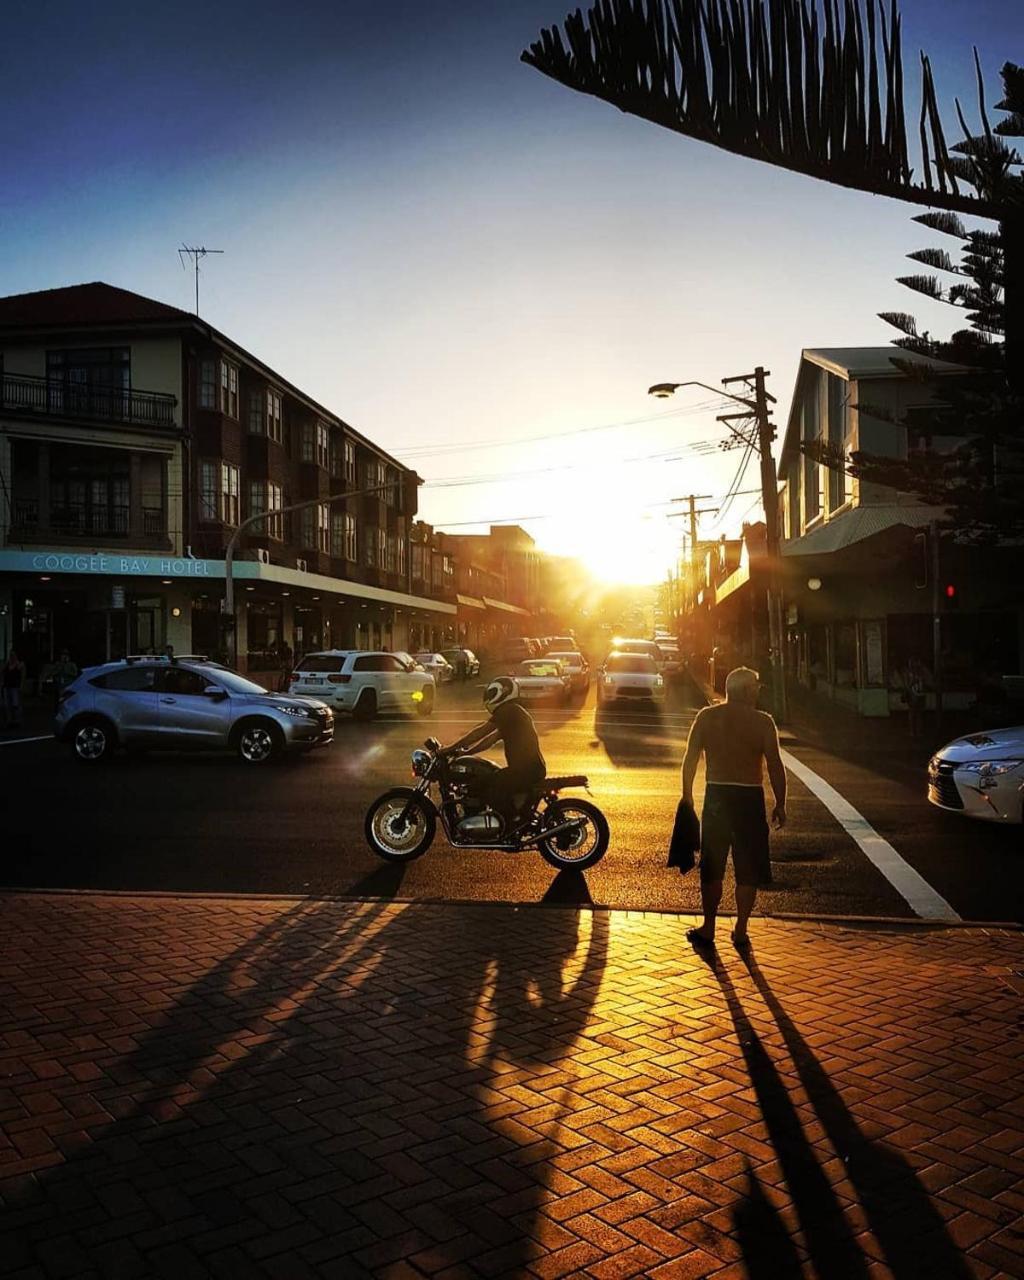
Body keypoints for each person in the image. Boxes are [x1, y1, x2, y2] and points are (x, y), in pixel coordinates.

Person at [681, 666, 787, 949]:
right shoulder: (763, 722)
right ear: (747, 691)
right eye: (756, 687)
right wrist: (780, 802)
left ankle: (709, 926)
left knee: (712, 866)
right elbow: (775, 765)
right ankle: (740, 928)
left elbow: (691, 758)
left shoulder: (707, 717)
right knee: (747, 867)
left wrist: (687, 795)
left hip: (717, 797)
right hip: (749, 799)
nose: (758, 691)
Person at [443, 677, 546, 833]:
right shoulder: (512, 713)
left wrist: (450, 748)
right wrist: (466, 752)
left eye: (492, 693)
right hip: (528, 769)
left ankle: (511, 824)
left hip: (525, 770)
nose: (489, 697)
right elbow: (489, 740)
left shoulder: (509, 711)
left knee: (489, 787)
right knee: (487, 779)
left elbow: (481, 732)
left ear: (504, 692)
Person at [2, 650, 27, 729]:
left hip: (15, 687)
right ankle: (9, 721)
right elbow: (2, 672)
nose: (12, 657)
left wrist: (21, 686)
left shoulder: (20, 664)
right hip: (7, 686)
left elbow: (23, 676)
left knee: (16, 704)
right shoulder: (7, 664)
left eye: (13, 655)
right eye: (10, 655)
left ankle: (17, 721)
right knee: (7, 705)